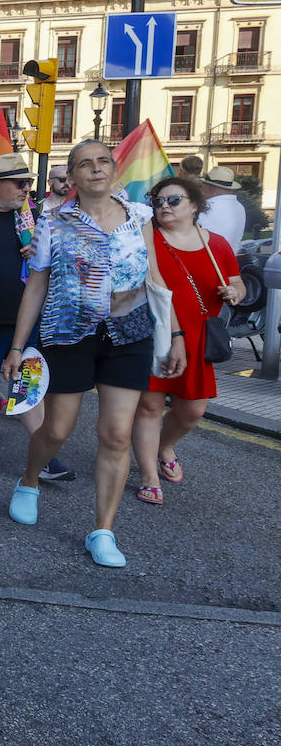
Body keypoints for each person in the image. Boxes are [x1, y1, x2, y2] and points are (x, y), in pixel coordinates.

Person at [0, 140, 185, 568]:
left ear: (114, 168)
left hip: (130, 331)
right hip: (68, 332)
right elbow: (37, 285)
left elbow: (154, 277)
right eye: (85, 164)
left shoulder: (140, 216)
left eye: (103, 161)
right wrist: (16, 346)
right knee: (57, 430)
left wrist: (174, 332)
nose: (96, 169)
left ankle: (103, 530)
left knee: (117, 434)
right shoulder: (53, 222)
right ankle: (29, 480)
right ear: (73, 175)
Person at [0, 154, 74, 481]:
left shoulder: (28, 217)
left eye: (29, 183)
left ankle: (45, 456)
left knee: (27, 382)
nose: (27, 189)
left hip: (24, 316)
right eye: (20, 183)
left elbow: (49, 265)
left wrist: (37, 252)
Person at [131, 176, 242, 503]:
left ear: (195, 205)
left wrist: (235, 291)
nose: (164, 206)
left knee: (192, 411)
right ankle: (150, 475)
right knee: (150, 406)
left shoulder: (216, 244)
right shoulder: (148, 238)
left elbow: (237, 282)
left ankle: (166, 446)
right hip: (156, 331)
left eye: (173, 200)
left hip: (199, 336)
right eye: (159, 201)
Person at [197, 166, 247, 253]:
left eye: (202, 185)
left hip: (208, 262)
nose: (201, 189)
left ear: (210, 187)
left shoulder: (207, 208)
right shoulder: (239, 207)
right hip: (230, 262)